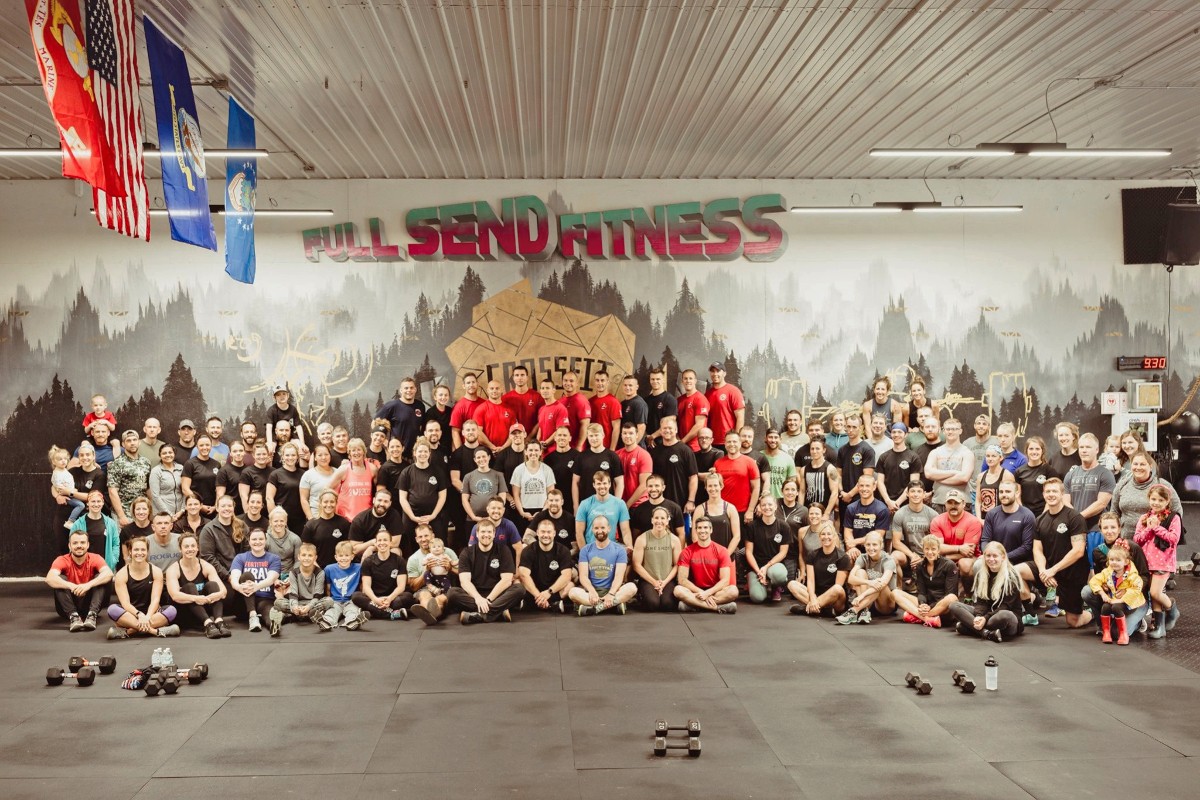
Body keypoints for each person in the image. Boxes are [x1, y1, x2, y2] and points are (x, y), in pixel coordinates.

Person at [1032, 478, 1091, 628]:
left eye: (1054, 491)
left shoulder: (1074, 517)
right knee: (1017, 572)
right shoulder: (1039, 520)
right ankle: (1028, 610)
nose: (1051, 495)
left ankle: (1093, 612)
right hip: (1048, 569)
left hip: (1072, 572)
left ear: (1062, 494)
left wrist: (1053, 570)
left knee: (1074, 622)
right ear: (1043, 494)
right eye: (1048, 491)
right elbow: (1037, 549)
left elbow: (1078, 551)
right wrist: (1043, 571)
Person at [1083, 512, 1151, 637]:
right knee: (1087, 591)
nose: (1109, 531)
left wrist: (1128, 590)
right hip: (1112, 597)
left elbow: (1145, 576)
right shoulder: (1097, 552)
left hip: (1134, 600)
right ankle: (1102, 623)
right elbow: (1100, 577)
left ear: (1119, 528)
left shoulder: (1132, 547)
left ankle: (1138, 622)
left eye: (1113, 527)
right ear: (1101, 530)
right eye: (1105, 528)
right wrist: (1103, 587)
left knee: (1116, 633)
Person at [446, 519, 525, 624]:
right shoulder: (466, 553)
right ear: (477, 534)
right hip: (474, 595)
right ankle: (497, 612)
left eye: (489, 532)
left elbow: (506, 580)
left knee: (520, 589)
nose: (486, 535)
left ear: (494, 534)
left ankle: (481, 615)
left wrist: (488, 600)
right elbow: (465, 582)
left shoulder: (504, 550)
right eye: (483, 532)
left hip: (497, 595)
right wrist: (479, 598)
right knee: (452, 593)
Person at [950, 541, 1026, 642]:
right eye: (988, 556)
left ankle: (969, 627)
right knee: (954, 606)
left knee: (1005, 615)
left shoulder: (1012, 576)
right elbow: (981, 602)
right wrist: (979, 616)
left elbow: (1006, 606)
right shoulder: (982, 574)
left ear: (1003, 557)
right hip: (987, 615)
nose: (991, 559)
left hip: (1006, 619)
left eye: (995, 556)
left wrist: (984, 619)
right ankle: (987, 633)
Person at [1134, 483, 1182, 639]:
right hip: (1147, 562)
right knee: (1153, 595)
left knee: (1156, 592)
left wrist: (1157, 528)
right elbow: (1137, 539)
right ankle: (1159, 627)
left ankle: (1172, 610)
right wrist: (1149, 528)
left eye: (1161, 500)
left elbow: (1174, 538)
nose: (1156, 503)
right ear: (1149, 499)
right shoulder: (1144, 518)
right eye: (1153, 499)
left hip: (1163, 562)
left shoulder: (1173, 517)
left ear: (1167, 501)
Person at [164, 532, 229, 638]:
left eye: (193, 546)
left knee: (212, 585)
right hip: (184, 612)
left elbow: (223, 591)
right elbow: (175, 596)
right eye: (186, 546)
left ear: (198, 548)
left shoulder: (205, 566)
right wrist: (196, 598)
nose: (190, 549)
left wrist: (214, 596)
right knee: (189, 586)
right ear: (180, 549)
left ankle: (219, 621)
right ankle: (208, 623)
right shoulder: (173, 569)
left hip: (203, 609)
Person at [46, 529, 113, 632]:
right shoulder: (62, 560)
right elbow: (49, 578)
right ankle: (74, 617)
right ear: (69, 546)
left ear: (88, 545)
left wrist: (88, 585)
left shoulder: (95, 558)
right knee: (59, 579)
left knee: (101, 577)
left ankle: (92, 615)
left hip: (89, 605)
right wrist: (71, 585)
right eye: (75, 543)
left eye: (82, 542)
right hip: (67, 606)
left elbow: (109, 574)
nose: (79, 546)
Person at [570, 517, 637, 615]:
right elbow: (583, 576)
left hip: (612, 590)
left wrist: (611, 594)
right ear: (592, 529)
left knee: (632, 587)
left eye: (602, 527)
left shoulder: (619, 550)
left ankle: (594, 609)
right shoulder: (585, 550)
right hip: (592, 592)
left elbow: (619, 577)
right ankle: (613, 606)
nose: (599, 531)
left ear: (609, 528)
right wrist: (592, 592)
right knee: (572, 592)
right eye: (596, 528)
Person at [893, 534, 959, 628]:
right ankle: (927, 619)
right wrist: (923, 604)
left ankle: (918, 616)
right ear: (923, 549)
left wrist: (930, 607)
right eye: (927, 549)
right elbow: (922, 592)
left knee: (952, 597)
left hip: (942, 606)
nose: (930, 552)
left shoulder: (949, 565)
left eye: (933, 549)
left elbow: (950, 593)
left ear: (938, 550)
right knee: (895, 593)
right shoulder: (920, 566)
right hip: (927, 604)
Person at [674, 517, 738, 613]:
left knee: (733, 591)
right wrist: (702, 593)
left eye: (705, 527)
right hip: (695, 591)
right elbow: (682, 580)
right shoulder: (687, 551)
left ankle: (695, 605)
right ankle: (716, 608)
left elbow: (725, 580)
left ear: (711, 530)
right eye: (699, 528)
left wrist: (708, 593)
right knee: (678, 590)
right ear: (695, 530)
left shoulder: (722, 550)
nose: (702, 530)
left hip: (715, 591)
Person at [1112, 451, 1182, 538]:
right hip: (1126, 540)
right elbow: (1114, 512)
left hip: (1153, 543)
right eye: (1135, 464)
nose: (1138, 467)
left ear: (1150, 466)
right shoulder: (1122, 485)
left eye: (1142, 464)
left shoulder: (1163, 484)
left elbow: (1177, 510)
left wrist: (1164, 534)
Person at [1088, 540, 1146, 645]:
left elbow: (1137, 587)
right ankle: (1106, 633)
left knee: (1116, 608)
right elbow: (1094, 581)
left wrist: (1121, 599)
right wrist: (1102, 593)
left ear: (1126, 562)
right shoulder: (1107, 572)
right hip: (1115, 600)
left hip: (1132, 603)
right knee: (1105, 607)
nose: (1114, 562)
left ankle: (1125, 633)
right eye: (1112, 559)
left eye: (1118, 560)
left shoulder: (1131, 575)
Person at [787, 522, 850, 618]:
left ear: (834, 536)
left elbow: (838, 585)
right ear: (819, 536)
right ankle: (819, 609)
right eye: (823, 534)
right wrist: (812, 598)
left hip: (835, 601)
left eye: (829, 534)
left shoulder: (843, 557)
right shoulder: (813, 555)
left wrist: (815, 600)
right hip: (817, 594)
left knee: (837, 589)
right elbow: (811, 581)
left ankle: (807, 609)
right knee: (792, 584)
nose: (826, 537)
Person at [268, 542, 330, 636]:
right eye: (304, 555)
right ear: (299, 557)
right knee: (278, 602)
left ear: (315, 558)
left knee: (329, 601)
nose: (306, 558)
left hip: (313, 604)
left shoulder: (320, 573)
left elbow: (318, 595)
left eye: (310, 555)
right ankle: (300, 615)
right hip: (298, 603)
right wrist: (295, 607)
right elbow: (293, 594)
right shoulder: (293, 573)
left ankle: (294, 616)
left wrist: (308, 607)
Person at [352, 529, 414, 621]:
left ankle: (375, 612)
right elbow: (366, 586)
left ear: (390, 543)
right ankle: (393, 614)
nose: (382, 543)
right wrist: (375, 600)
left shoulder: (399, 560)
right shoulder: (368, 561)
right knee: (356, 596)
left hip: (392, 598)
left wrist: (389, 598)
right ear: (376, 543)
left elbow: (401, 587)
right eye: (379, 540)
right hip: (374, 597)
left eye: (385, 540)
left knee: (408, 596)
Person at [837, 531, 897, 624]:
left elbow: (883, 583)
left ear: (881, 546)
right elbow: (851, 579)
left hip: (885, 604)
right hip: (869, 602)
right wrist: (869, 582)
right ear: (864, 545)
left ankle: (854, 611)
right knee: (860, 572)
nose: (871, 548)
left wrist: (861, 596)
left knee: (880, 584)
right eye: (868, 545)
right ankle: (864, 611)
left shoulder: (888, 560)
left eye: (874, 545)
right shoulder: (863, 557)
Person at [229, 528, 282, 632]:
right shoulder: (240, 558)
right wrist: (239, 587)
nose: (257, 542)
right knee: (246, 575)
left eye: (261, 539)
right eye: (254, 539)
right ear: (249, 541)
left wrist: (255, 587)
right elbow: (234, 578)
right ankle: (253, 614)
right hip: (242, 602)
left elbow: (271, 579)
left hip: (264, 598)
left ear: (266, 540)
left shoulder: (274, 558)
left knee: (269, 612)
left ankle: (274, 625)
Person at [396, 437, 448, 541]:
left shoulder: (438, 471)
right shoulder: (406, 472)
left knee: (437, 543)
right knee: (410, 545)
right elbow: (402, 498)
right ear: (414, 453)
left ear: (429, 453)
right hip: (411, 517)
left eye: (425, 451)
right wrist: (412, 517)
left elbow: (442, 496)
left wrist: (433, 516)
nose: (423, 454)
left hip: (434, 516)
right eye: (420, 451)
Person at [518, 518, 575, 612]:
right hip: (533, 590)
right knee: (518, 583)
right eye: (543, 532)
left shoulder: (563, 550)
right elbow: (524, 575)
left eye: (549, 532)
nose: (546, 535)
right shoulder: (528, 550)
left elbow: (566, 576)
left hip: (553, 591)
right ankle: (550, 604)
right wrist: (538, 595)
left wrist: (549, 592)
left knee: (570, 585)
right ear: (537, 533)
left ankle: (535, 604)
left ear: (554, 533)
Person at [1062, 433, 1115, 534]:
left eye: (1088, 447)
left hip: (1096, 530)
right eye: (1081, 447)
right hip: (1074, 529)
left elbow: (1101, 504)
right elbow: (1065, 501)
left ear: (1097, 450)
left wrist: (1078, 517)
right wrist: (1075, 519)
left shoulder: (1106, 474)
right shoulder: (1070, 474)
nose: (1084, 450)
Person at [407, 524, 460, 626]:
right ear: (416, 539)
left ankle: (431, 614)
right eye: (420, 537)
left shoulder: (447, 552)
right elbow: (413, 586)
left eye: (426, 536)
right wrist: (426, 571)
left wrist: (450, 568)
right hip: (426, 587)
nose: (423, 539)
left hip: (446, 586)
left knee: (441, 598)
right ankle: (431, 613)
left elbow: (462, 573)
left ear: (432, 536)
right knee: (424, 595)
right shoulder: (413, 559)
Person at [632, 507, 683, 611]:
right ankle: (641, 594)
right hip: (648, 579)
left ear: (668, 520)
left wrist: (664, 582)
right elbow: (636, 565)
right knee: (652, 604)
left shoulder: (674, 540)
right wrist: (654, 582)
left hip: (667, 579)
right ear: (652, 520)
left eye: (662, 518)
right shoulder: (642, 538)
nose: (659, 521)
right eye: (656, 518)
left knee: (668, 604)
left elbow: (677, 565)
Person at [745, 495, 793, 603]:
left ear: (775, 506)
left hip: (774, 565)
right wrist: (759, 571)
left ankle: (775, 587)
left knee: (779, 575)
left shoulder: (783, 526)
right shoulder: (752, 526)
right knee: (757, 598)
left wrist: (766, 567)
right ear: (760, 508)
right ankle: (756, 582)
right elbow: (748, 552)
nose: (767, 507)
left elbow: (783, 553)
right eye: (763, 505)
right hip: (756, 566)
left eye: (770, 504)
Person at [979, 481, 1036, 571]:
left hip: (1017, 562)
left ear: (1017, 493)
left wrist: (1003, 557)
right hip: (993, 559)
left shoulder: (1027, 516)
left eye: (1008, 492)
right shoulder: (991, 514)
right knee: (976, 565)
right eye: (1001, 492)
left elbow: (1027, 547)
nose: (1004, 495)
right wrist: (989, 555)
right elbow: (985, 540)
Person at [650, 417, 699, 516]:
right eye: (664, 428)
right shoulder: (654, 452)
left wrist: (691, 500)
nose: (667, 431)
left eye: (670, 428)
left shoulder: (685, 451)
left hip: (681, 502)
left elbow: (693, 477)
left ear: (676, 430)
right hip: (659, 503)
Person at [930, 489, 981, 582]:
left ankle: (968, 593)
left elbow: (968, 552)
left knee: (964, 564)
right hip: (947, 557)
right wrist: (959, 548)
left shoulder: (973, 521)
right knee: (928, 560)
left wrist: (945, 557)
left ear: (964, 504)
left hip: (968, 558)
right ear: (945, 504)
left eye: (956, 503)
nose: (953, 506)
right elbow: (936, 548)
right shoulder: (937, 520)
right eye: (949, 503)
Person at [923, 418, 974, 512]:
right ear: (943, 431)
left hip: (962, 503)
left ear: (960, 431)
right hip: (939, 501)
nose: (950, 432)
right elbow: (929, 474)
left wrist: (938, 478)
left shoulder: (967, 453)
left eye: (954, 429)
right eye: (948, 429)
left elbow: (964, 478)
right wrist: (954, 473)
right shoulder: (935, 452)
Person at [889, 481, 937, 580]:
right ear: (907, 494)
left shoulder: (933, 514)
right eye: (913, 491)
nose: (915, 494)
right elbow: (896, 542)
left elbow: (937, 542)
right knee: (894, 557)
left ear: (924, 494)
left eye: (919, 491)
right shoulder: (900, 514)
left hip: (928, 554)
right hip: (908, 554)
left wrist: (926, 557)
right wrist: (912, 556)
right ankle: (898, 589)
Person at [200, 496, 245, 599]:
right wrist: (228, 576)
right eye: (223, 506)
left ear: (233, 507)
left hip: (241, 573)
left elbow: (248, 552)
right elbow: (208, 558)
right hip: (221, 577)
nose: (226, 508)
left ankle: (253, 614)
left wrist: (240, 573)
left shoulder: (241, 525)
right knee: (230, 598)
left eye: (229, 506)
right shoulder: (208, 529)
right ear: (217, 508)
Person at [574, 471, 632, 550]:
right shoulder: (585, 504)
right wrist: (585, 553)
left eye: (604, 483)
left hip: (611, 548)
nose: (602, 486)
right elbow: (579, 533)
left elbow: (625, 531)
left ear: (610, 484)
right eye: (598, 484)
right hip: (591, 548)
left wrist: (629, 546)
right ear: (594, 485)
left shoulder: (620, 504)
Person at [321, 540, 370, 631]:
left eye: (347, 555)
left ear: (352, 556)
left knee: (352, 611)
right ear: (336, 557)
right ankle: (326, 622)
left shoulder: (359, 568)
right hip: (336, 600)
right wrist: (329, 599)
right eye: (341, 556)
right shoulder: (329, 569)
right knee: (331, 612)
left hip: (351, 600)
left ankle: (352, 622)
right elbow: (328, 587)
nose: (344, 558)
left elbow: (362, 584)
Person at [714, 431, 760, 525]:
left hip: (743, 512)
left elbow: (756, 488)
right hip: (723, 510)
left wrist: (750, 510)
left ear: (739, 443)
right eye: (729, 442)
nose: (732, 444)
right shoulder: (718, 463)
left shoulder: (749, 462)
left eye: (734, 442)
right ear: (725, 444)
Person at [572, 423, 624, 508]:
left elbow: (619, 482)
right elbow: (575, 482)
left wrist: (616, 504)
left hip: (607, 505)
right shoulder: (580, 457)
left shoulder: (612, 456)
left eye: (596, 435)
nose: (593, 438)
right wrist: (576, 506)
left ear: (603, 435)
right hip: (586, 505)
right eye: (591, 436)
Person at [67, 489, 120, 571]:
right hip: (84, 568)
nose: (96, 504)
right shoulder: (78, 524)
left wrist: (113, 561)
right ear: (88, 503)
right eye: (93, 501)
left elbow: (116, 544)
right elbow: (72, 545)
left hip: (105, 567)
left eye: (99, 501)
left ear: (102, 503)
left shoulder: (111, 524)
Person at [107, 429, 151, 526]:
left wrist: (151, 510)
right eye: (128, 441)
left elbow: (147, 488)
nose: (132, 443)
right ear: (123, 444)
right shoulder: (117, 463)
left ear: (139, 442)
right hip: (125, 512)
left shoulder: (146, 462)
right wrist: (121, 516)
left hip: (141, 512)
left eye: (134, 440)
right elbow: (112, 491)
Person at [842, 474, 890, 562]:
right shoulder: (851, 508)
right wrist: (852, 547)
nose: (864, 489)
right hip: (855, 549)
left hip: (875, 550)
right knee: (847, 559)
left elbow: (878, 535)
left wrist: (855, 541)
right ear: (858, 487)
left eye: (867, 486)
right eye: (861, 486)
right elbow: (848, 532)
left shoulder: (882, 509)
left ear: (874, 487)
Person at [376, 376, 427, 457]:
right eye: (406, 388)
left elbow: (422, 427)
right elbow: (375, 423)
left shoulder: (420, 406)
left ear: (415, 389)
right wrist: (384, 440)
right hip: (397, 454)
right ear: (401, 390)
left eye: (411, 388)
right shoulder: (392, 406)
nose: (409, 390)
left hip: (416, 454)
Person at [628, 474, 685, 544]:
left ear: (663, 488)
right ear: (646, 488)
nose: (653, 489)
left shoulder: (675, 508)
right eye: (650, 486)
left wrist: (679, 554)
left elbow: (681, 534)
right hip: (647, 552)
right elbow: (636, 536)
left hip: (669, 551)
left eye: (657, 486)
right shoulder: (639, 509)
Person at [301, 490, 352, 568]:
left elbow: (348, 548)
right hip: (317, 569)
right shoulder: (311, 525)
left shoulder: (344, 523)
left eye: (332, 502)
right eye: (325, 502)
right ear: (320, 503)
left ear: (336, 503)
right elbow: (305, 551)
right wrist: (318, 570)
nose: (329, 505)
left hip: (339, 569)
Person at [329, 438, 377, 521]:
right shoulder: (343, 469)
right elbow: (328, 488)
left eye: (359, 449)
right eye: (353, 450)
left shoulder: (372, 469)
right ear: (349, 453)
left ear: (364, 452)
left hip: (365, 517)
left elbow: (378, 490)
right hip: (345, 518)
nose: (356, 453)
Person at [875, 423, 919, 513]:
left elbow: (913, 484)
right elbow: (880, 482)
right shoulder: (883, 457)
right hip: (885, 503)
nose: (896, 435)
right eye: (894, 432)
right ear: (891, 434)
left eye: (900, 432)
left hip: (906, 504)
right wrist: (888, 501)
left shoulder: (913, 457)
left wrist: (898, 502)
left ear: (906, 435)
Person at [461, 446, 509, 524]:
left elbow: (502, 497)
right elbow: (464, 500)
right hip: (473, 519)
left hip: (494, 519)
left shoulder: (498, 475)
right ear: (475, 460)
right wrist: (473, 517)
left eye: (484, 456)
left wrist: (494, 515)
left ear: (489, 457)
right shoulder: (468, 476)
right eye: (478, 457)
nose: (481, 459)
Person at [267, 442, 307, 533]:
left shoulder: (303, 474)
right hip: (282, 519)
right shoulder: (275, 474)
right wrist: (275, 519)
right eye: (287, 455)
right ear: (282, 456)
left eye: (293, 455)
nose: (290, 458)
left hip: (300, 519)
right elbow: (269, 498)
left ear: (297, 456)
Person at [836, 415, 876, 506]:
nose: (850, 430)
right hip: (843, 497)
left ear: (860, 428)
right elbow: (838, 474)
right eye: (848, 426)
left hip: (860, 499)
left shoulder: (867, 450)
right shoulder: (842, 450)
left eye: (854, 427)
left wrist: (850, 494)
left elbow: (867, 479)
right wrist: (842, 491)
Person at [798, 437, 839, 521]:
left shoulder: (831, 469)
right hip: (809, 512)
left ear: (823, 450)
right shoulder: (804, 469)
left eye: (817, 448)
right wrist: (800, 511)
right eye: (812, 449)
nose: (814, 451)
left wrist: (827, 513)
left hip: (824, 512)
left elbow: (834, 493)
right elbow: (802, 492)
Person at [1013, 436, 1055, 516]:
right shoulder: (1019, 471)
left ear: (1042, 451)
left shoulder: (1049, 471)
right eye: (1031, 449)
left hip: (1045, 513)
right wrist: (1023, 513)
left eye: (1037, 449)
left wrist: (1043, 515)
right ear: (1026, 451)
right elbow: (1017, 496)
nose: (1034, 452)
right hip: (1025, 514)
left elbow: (1053, 495)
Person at [705, 361, 746, 445]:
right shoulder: (707, 394)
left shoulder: (733, 391)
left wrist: (736, 440)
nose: (715, 374)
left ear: (724, 373)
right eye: (712, 371)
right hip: (712, 442)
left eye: (718, 371)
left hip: (729, 442)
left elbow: (740, 418)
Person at [526, 488, 576, 554]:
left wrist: (564, 556)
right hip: (543, 553)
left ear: (562, 502)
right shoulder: (540, 516)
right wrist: (541, 549)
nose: (553, 503)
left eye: (556, 500)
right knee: (524, 546)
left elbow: (575, 547)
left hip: (563, 555)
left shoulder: (570, 519)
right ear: (547, 502)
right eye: (551, 500)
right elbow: (527, 537)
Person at [182, 435, 221, 517]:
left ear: (211, 446)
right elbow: (185, 489)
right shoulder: (190, 464)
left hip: (213, 509)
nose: (205, 447)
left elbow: (219, 488)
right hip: (195, 508)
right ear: (197, 447)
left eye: (207, 445)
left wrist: (216, 505)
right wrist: (199, 505)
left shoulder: (217, 464)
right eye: (201, 445)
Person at [472, 379, 516, 451]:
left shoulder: (509, 410)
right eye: (492, 388)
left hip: (506, 450)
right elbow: (478, 432)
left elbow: (513, 432)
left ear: (502, 390)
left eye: (497, 388)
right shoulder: (481, 409)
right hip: (487, 451)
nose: (494, 391)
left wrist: (503, 448)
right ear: (488, 390)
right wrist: (492, 447)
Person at [618, 421, 653, 508]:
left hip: (639, 505)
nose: (627, 436)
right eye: (625, 433)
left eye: (631, 433)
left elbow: (644, 485)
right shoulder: (617, 455)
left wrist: (627, 505)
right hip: (620, 504)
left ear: (637, 435)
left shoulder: (644, 455)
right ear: (621, 435)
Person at [965, 415, 999, 505]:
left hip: (989, 487)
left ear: (989, 427)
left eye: (984, 424)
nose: (981, 426)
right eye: (978, 423)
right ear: (974, 425)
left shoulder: (996, 443)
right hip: (970, 488)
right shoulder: (967, 443)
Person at [49, 445, 86, 529]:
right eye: (60, 459)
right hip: (67, 496)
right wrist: (70, 491)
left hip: (70, 494)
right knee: (81, 505)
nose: (63, 461)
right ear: (54, 462)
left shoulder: (64, 470)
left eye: (65, 459)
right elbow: (58, 487)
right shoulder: (57, 473)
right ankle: (70, 521)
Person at [299, 443, 338, 522]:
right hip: (316, 516)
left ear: (330, 456)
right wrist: (311, 519)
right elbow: (303, 499)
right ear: (315, 457)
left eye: (326, 454)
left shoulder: (337, 473)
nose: (323, 457)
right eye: (320, 455)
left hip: (336, 517)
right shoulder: (308, 475)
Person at [975, 444, 1014, 518]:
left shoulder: (1007, 475)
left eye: (993, 456)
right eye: (988, 456)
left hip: (1002, 518)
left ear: (1000, 457)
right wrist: (979, 519)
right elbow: (978, 501)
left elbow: (1011, 499)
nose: (990, 458)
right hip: (984, 519)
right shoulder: (981, 476)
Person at [503, 364, 544, 435]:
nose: (519, 378)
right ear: (513, 378)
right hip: (513, 440)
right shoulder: (505, 398)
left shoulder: (537, 397)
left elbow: (542, 420)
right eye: (517, 375)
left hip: (532, 440)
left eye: (522, 375)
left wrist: (530, 436)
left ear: (527, 377)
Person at [148, 443, 185, 523]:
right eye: (164, 453)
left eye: (170, 452)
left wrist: (182, 510)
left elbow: (185, 491)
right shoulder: (156, 471)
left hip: (180, 515)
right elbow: (155, 496)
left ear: (174, 454)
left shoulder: (181, 468)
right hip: (162, 515)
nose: (168, 455)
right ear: (160, 455)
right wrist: (169, 514)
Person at [644, 366, 678, 449]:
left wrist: (653, 436)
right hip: (647, 443)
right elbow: (643, 422)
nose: (655, 381)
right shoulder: (646, 400)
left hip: (663, 443)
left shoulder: (669, 399)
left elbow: (669, 424)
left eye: (658, 379)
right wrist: (646, 436)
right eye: (652, 379)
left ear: (663, 380)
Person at [589, 369, 623, 450]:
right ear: (594, 382)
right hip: (591, 447)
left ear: (607, 382)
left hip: (606, 448)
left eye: (602, 380)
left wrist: (612, 450)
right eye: (597, 380)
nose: (600, 383)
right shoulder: (590, 401)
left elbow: (616, 428)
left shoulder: (613, 402)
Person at [676, 368, 710, 451]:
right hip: (681, 446)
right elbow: (676, 421)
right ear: (682, 381)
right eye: (685, 378)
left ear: (695, 381)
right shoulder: (679, 400)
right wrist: (677, 439)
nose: (688, 381)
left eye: (690, 378)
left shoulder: (700, 399)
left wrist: (682, 442)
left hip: (695, 447)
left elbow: (699, 425)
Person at [450, 372, 486, 449]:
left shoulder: (484, 403)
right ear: (464, 386)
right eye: (468, 383)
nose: (471, 385)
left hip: (484, 450)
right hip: (468, 449)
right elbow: (455, 431)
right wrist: (461, 452)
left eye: (473, 382)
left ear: (477, 384)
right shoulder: (459, 407)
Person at [264, 505, 302, 577]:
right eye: (275, 521)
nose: (279, 524)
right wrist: (273, 578)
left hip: (290, 574)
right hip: (270, 574)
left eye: (282, 521)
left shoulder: (295, 539)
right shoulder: (265, 539)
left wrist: (292, 577)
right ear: (270, 522)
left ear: (286, 522)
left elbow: (298, 561)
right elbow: (262, 561)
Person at [760, 428, 798, 499]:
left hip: (781, 500)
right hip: (763, 500)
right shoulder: (759, 456)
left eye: (776, 437)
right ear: (765, 439)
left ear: (780, 439)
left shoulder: (788, 458)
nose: (773, 440)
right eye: (770, 437)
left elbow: (792, 481)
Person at [560, 371, 593, 451]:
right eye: (565, 380)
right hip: (562, 448)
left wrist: (579, 446)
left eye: (571, 381)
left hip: (576, 449)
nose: (568, 383)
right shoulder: (560, 401)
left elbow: (585, 425)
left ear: (577, 383)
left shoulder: (581, 401)